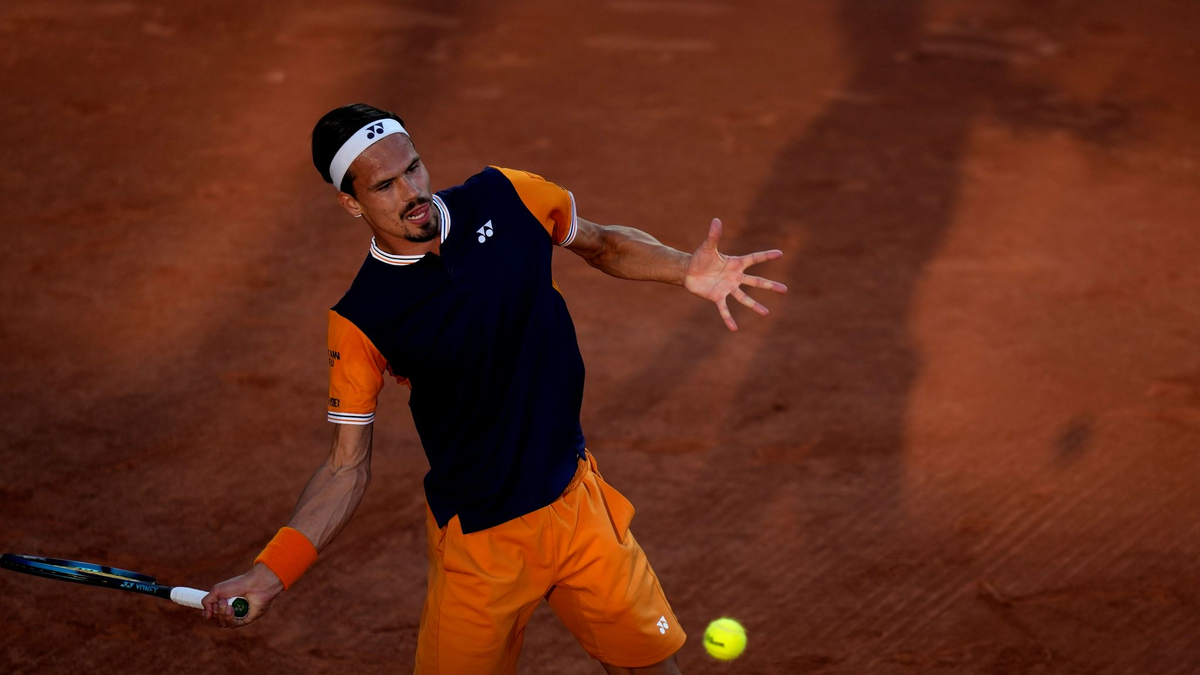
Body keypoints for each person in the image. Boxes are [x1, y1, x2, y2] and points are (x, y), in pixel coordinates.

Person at [202, 103, 786, 675]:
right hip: (481, 547)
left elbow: (602, 243)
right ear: (350, 203)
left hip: (576, 504)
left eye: (413, 167)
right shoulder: (363, 317)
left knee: (650, 668)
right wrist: (270, 572)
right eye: (384, 185)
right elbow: (345, 468)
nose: (411, 192)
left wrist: (685, 267)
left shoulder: (509, 196)